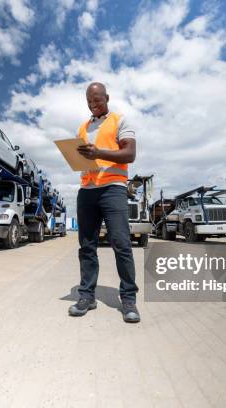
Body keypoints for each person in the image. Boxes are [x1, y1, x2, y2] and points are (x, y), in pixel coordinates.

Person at [68, 82, 140, 323]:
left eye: (97, 100)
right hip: (87, 190)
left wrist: (98, 153)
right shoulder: (82, 127)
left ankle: (128, 299)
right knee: (87, 246)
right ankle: (87, 296)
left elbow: (129, 154)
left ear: (107, 97)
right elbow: (82, 157)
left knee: (121, 243)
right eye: (89, 101)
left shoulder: (120, 121)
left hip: (113, 188)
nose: (93, 104)